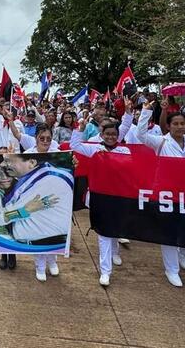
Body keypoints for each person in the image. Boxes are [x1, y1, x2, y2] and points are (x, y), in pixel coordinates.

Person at [138, 100, 185, 288]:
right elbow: (141, 134)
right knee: (169, 231)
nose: (180, 127)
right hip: (168, 193)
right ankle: (171, 270)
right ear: (169, 126)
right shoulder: (161, 142)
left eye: (183, 123)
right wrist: (146, 112)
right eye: (176, 124)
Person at [71, 106, 132, 287]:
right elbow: (75, 146)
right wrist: (79, 130)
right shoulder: (96, 149)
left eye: (114, 134)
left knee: (116, 228)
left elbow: (130, 173)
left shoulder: (125, 152)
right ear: (102, 135)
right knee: (103, 232)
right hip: (100, 196)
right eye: (108, 134)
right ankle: (105, 271)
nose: (111, 137)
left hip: (119, 197)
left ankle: (115, 252)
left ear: (118, 135)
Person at [0, 153, 73, 282]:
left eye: (9, 161)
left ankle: (49, 263)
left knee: (45, 242)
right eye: (4, 161)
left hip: (49, 235)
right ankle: (43, 266)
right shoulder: (28, 179)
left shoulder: (44, 178)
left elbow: (7, 215)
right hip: (37, 235)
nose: (4, 165)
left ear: (32, 163)